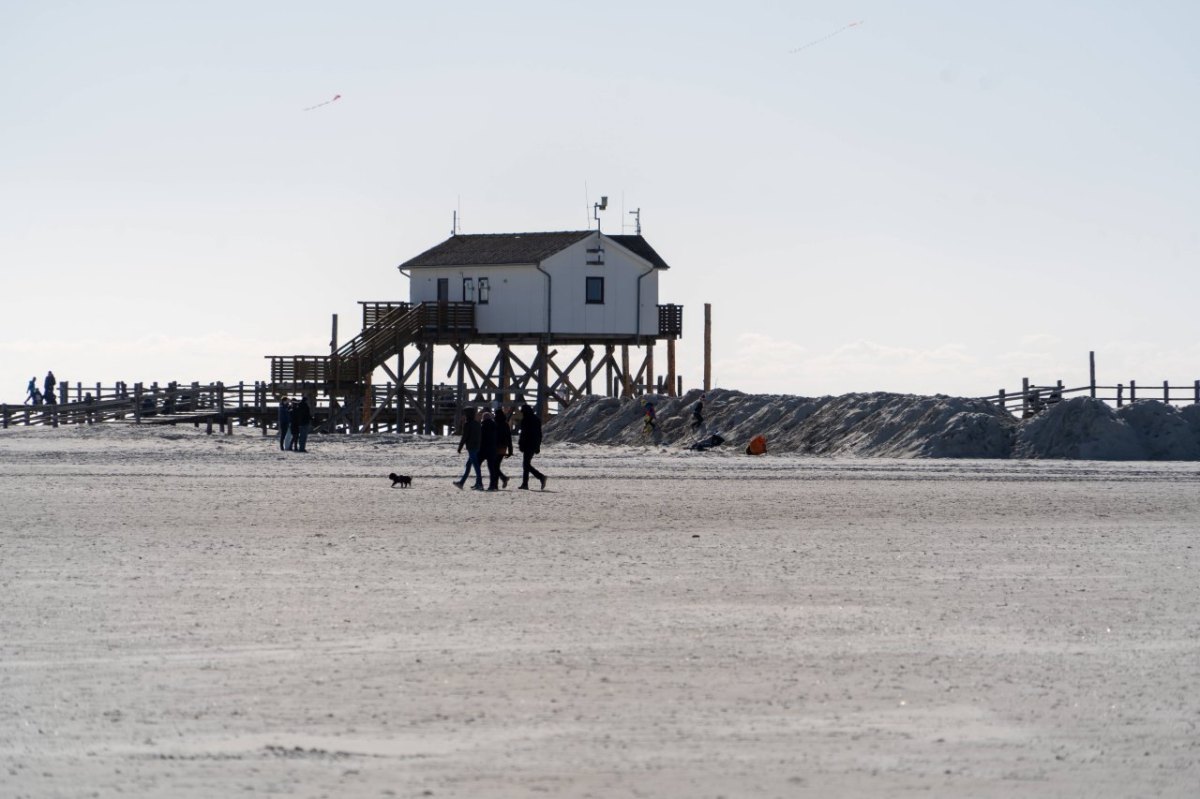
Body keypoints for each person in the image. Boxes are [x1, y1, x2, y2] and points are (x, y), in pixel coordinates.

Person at [517, 402, 547, 490]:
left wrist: (520, 444)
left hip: (527, 444)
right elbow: (539, 434)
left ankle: (540, 477)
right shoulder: (536, 419)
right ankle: (525, 483)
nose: (522, 413)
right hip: (533, 444)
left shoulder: (525, 420)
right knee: (526, 464)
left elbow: (523, 434)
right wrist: (538, 446)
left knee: (526, 464)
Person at [453, 407, 483, 489]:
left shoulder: (467, 424)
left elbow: (464, 437)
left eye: (465, 414)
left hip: (471, 447)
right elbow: (480, 436)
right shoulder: (477, 423)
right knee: (468, 465)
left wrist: (460, 447)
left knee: (476, 466)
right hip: (477, 447)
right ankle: (461, 483)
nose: (464, 415)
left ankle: (480, 484)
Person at [479, 410, 501, 491]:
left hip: (483, 449)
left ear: (483, 418)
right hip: (492, 449)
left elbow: (481, 438)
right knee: (492, 468)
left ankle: (479, 483)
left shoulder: (483, 426)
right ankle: (493, 485)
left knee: (478, 466)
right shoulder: (494, 425)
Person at [495, 405, 513, 488]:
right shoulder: (506, 425)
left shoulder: (495, 424)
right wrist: (510, 451)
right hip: (503, 448)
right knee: (496, 466)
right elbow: (509, 438)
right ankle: (500, 480)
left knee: (494, 466)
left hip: (495, 447)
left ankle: (502, 479)